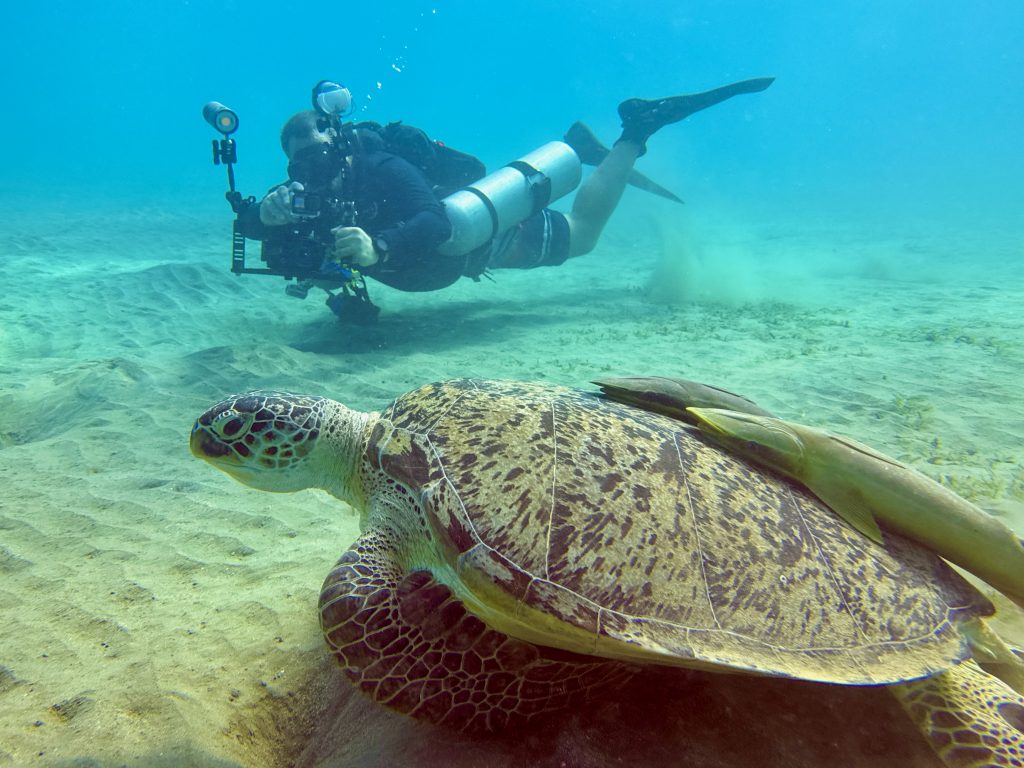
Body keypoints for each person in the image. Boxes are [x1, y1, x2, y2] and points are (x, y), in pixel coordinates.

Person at [237, 77, 774, 314]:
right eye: (299, 160)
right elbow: (271, 242)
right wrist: (263, 217)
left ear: (343, 142)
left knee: (582, 239)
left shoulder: (380, 164)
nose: (312, 167)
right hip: (434, 261)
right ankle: (580, 146)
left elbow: (435, 221)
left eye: (320, 151)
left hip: (480, 238)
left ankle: (634, 132)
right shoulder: (306, 191)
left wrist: (378, 248)